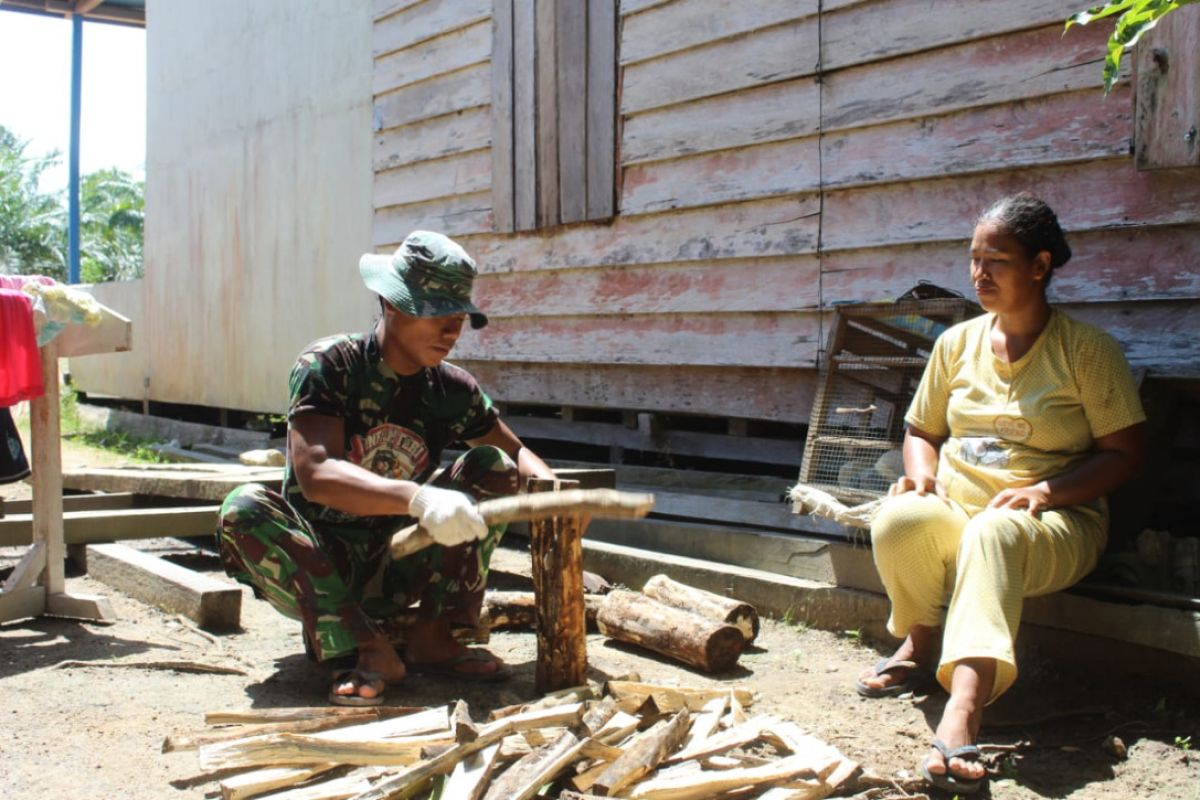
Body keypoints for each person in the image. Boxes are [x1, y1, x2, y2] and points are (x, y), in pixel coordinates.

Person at [853, 195, 1146, 794]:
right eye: (974, 260)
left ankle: (963, 707)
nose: (980, 274)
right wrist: (922, 474)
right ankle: (921, 639)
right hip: (960, 507)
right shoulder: (955, 344)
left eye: (997, 261)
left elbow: (1125, 454)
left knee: (993, 529)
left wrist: (1046, 489)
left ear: (1039, 266)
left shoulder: (1087, 351)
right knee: (901, 516)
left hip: (1055, 522)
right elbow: (921, 430)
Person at [217, 230, 554, 705]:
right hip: (319, 566)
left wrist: (555, 491)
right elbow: (315, 474)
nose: (451, 332)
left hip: (399, 559)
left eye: (458, 317)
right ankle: (363, 645)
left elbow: (516, 455)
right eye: (438, 315)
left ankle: (434, 636)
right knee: (243, 507)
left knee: (492, 466)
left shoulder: (451, 389)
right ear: (392, 305)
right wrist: (416, 498)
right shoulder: (330, 366)